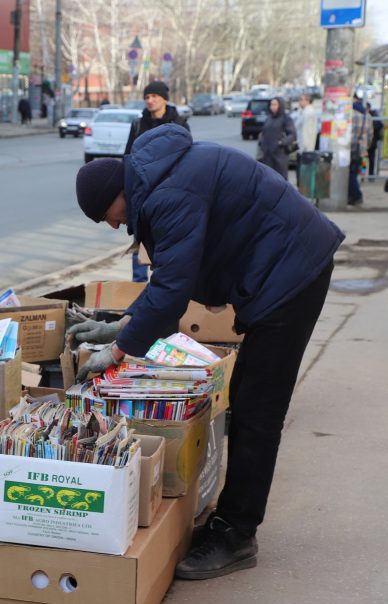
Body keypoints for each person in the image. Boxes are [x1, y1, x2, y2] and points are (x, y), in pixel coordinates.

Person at [69, 125, 344, 580]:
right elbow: (174, 275)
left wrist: (120, 350)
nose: (114, 225)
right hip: (283, 264)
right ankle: (233, 518)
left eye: (107, 216)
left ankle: (236, 534)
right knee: (248, 399)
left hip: (292, 272)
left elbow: (174, 288)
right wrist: (122, 323)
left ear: (117, 193)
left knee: (258, 410)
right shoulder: (160, 177)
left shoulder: (165, 195)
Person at [124, 81, 190, 282]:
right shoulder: (138, 124)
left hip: (169, 190)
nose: (150, 101)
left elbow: (188, 157)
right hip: (143, 191)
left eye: (154, 96)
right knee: (140, 237)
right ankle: (138, 283)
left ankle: (164, 282)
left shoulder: (178, 123)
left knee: (168, 240)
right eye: (146, 97)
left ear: (164, 98)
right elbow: (128, 156)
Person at [257, 97, 297, 181]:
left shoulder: (286, 118)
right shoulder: (269, 118)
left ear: (280, 105)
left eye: (275, 105)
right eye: (271, 104)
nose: (272, 107)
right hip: (267, 155)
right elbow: (263, 132)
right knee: (268, 178)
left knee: (280, 180)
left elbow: (292, 134)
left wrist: (281, 143)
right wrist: (261, 142)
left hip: (279, 155)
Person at [348, 97, 372, 205]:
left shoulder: (351, 115)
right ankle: (354, 194)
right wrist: (366, 146)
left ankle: (356, 195)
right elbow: (371, 134)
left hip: (351, 149)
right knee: (358, 171)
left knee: (350, 174)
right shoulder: (368, 117)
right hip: (362, 150)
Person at [366, 103, 385, 179]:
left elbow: (379, 125)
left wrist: (372, 127)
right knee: (364, 160)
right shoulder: (372, 115)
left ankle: (371, 175)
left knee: (371, 159)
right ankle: (363, 175)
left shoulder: (374, 115)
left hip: (372, 142)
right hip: (367, 141)